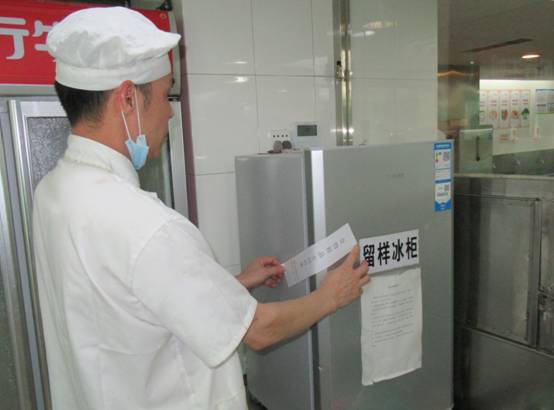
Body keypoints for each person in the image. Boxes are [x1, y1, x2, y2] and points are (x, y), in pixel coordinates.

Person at [32, 6, 370, 410]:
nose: (169, 112)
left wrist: (234, 283)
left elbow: (132, 300)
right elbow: (259, 331)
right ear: (127, 99)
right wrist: (332, 295)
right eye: (165, 95)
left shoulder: (54, 191)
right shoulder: (146, 225)